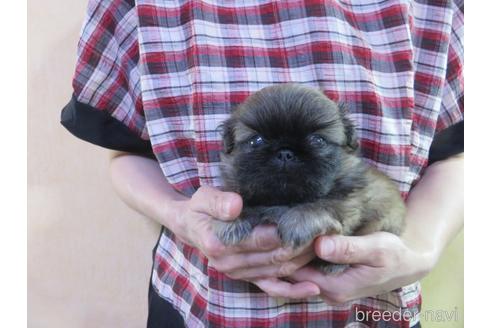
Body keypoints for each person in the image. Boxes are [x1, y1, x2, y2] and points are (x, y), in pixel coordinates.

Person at [61, 0, 464, 327]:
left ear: (347, 143)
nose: (285, 158)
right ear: (228, 144)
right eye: (256, 142)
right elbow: (125, 151)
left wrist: (420, 251)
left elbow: (459, 156)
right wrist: (179, 214)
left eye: (318, 143)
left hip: (371, 312)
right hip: (201, 307)